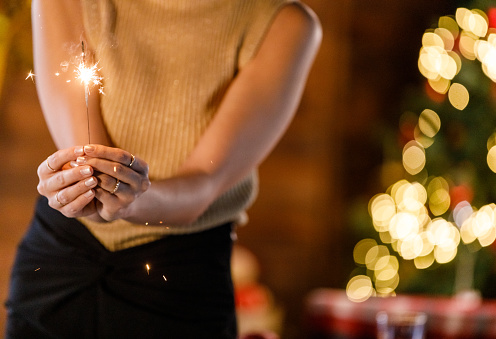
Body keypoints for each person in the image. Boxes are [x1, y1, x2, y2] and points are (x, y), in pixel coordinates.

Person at [5, 0, 321, 338]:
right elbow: (91, 177)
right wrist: (84, 191)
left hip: (180, 285)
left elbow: (203, 185)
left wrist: (130, 198)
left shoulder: (284, 23)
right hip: (58, 270)